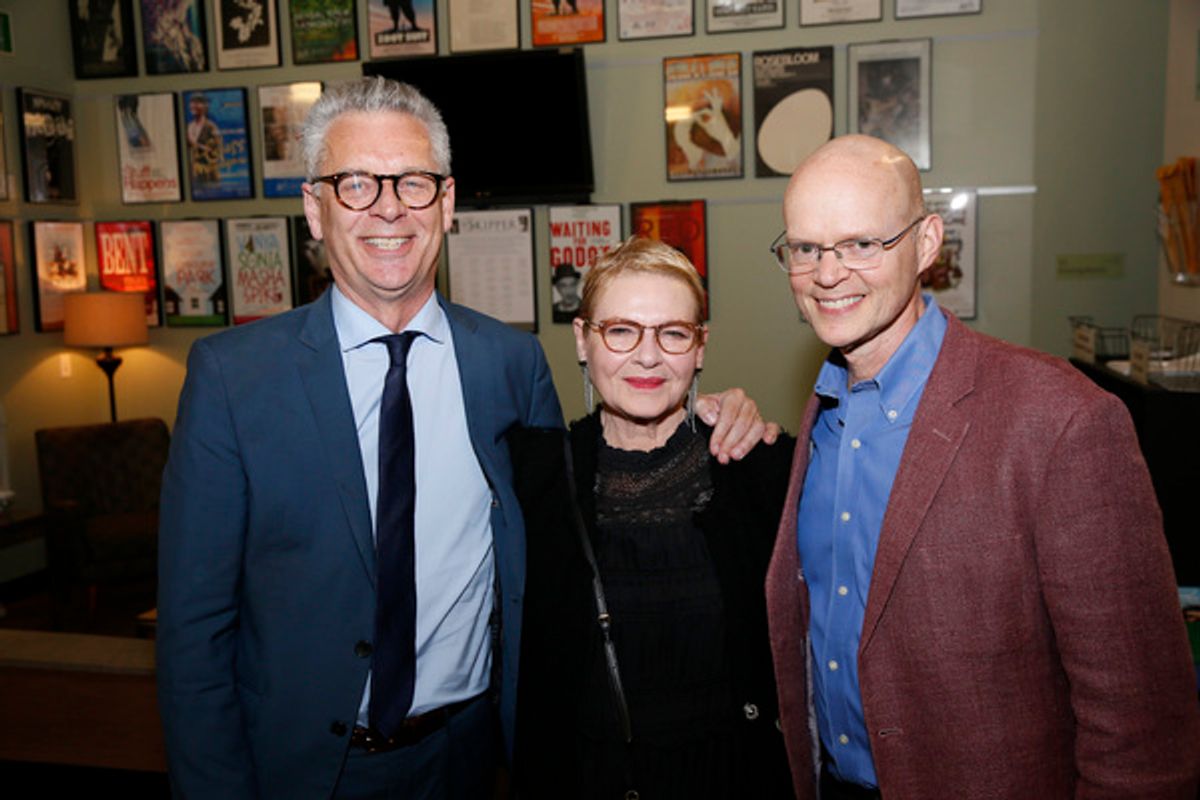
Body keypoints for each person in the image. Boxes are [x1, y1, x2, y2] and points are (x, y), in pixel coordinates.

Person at [156, 76, 770, 799]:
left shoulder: (507, 365)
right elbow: (194, 632)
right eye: (355, 183)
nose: (389, 208)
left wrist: (725, 420)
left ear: (446, 205)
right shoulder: (233, 378)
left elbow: (572, 526)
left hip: (471, 760)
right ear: (314, 210)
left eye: (413, 183)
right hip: (299, 770)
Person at [764, 133, 1200, 799]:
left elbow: (1142, 724)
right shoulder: (825, 412)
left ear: (927, 242)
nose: (828, 273)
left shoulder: (1061, 420)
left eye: (861, 244)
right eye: (806, 248)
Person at [510, 237, 794, 799]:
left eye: (672, 333)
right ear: (583, 341)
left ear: (700, 347)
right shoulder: (534, 477)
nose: (648, 356)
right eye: (621, 330)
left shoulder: (761, 469)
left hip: (734, 777)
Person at [185, 92, 222, 185]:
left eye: (197, 103)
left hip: (208, 173)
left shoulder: (211, 127)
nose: (193, 105)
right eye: (192, 103)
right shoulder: (189, 126)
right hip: (194, 174)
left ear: (205, 107)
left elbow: (217, 150)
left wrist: (197, 145)